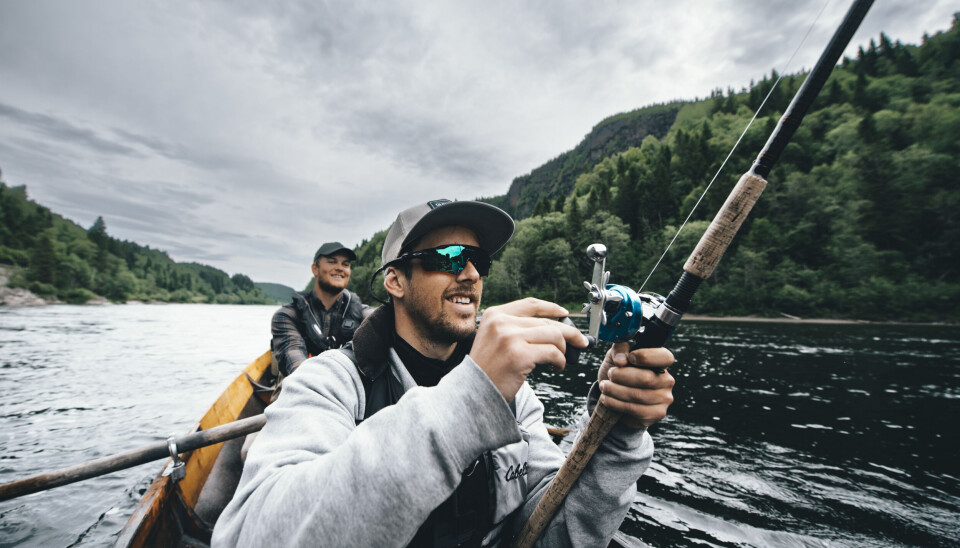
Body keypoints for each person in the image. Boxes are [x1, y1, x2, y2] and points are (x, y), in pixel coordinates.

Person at [213, 199, 675, 547]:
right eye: (450, 257)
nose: (471, 273)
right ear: (395, 281)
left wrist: (614, 433)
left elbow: (555, 532)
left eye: (479, 261)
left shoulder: (514, 397)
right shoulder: (329, 382)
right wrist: (472, 398)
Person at [270, 241, 371, 376]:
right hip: (301, 387)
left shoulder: (365, 315)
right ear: (315, 269)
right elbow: (296, 366)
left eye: (345, 264)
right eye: (332, 262)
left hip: (349, 388)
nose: (340, 268)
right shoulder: (286, 316)